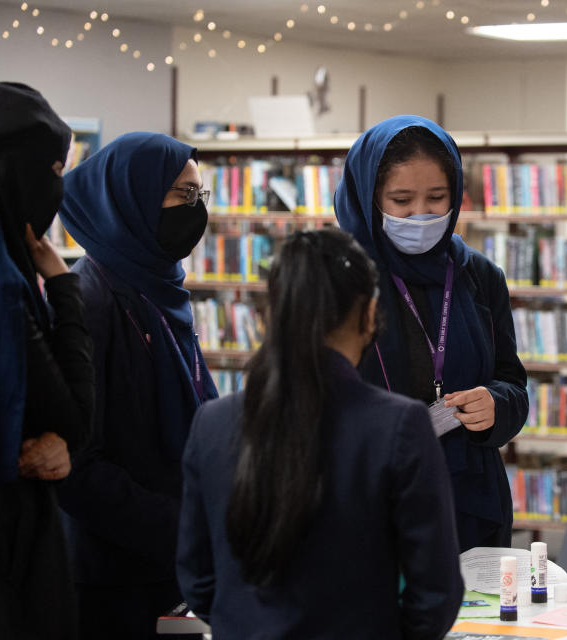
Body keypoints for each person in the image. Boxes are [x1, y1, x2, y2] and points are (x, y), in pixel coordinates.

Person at [176, 228, 463, 637]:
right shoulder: (399, 425)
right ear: (368, 314)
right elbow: (437, 592)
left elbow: (198, 581)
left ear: (269, 316)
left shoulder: (212, 423)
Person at [334, 115, 529, 552]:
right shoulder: (339, 280)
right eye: (401, 200)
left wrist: (496, 404)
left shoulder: (477, 275)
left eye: (437, 198)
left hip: (468, 499)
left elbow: (512, 381)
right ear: (369, 197)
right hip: (370, 499)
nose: (420, 215)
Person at [55, 132, 218, 639]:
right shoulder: (88, 300)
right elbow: (77, 467)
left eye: (199, 195)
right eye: (180, 196)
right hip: (111, 578)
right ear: (133, 198)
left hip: (173, 562)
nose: (194, 210)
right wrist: (185, 526)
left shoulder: (162, 287)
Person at [0, 81, 93, 639]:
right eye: (51, 171)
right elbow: (73, 417)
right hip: (7, 552)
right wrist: (63, 287)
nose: (57, 188)